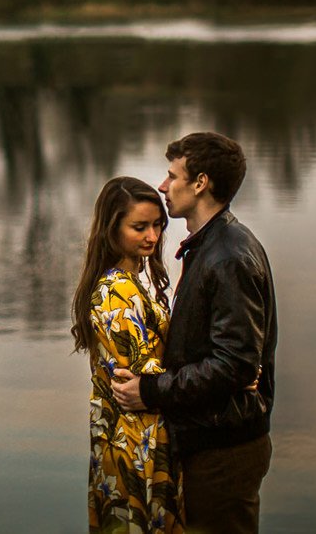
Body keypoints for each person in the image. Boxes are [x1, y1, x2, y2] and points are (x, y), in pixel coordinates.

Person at [110, 132, 277, 534]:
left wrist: (150, 390)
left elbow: (235, 365)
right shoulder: (212, 245)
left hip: (225, 449)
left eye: (172, 176)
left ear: (200, 183)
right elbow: (231, 359)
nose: (163, 186)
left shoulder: (229, 255)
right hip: (211, 440)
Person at [71, 176, 183, 533]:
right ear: (111, 229)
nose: (152, 236)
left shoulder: (135, 281)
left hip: (139, 433)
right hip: (134, 443)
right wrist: (226, 378)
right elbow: (147, 374)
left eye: (157, 225)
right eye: (139, 227)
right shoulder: (116, 291)